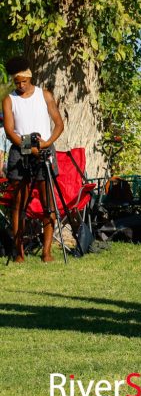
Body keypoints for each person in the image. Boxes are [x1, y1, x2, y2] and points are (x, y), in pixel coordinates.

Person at [2, 56, 64, 262]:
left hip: (44, 150)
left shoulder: (44, 95)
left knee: (48, 203)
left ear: (30, 77)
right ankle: (19, 252)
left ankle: (47, 252)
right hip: (20, 152)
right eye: (16, 82)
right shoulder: (9, 99)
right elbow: (10, 131)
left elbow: (58, 124)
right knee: (19, 203)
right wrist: (29, 148)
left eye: (24, 81)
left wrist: (46, 144)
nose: (20, 85)